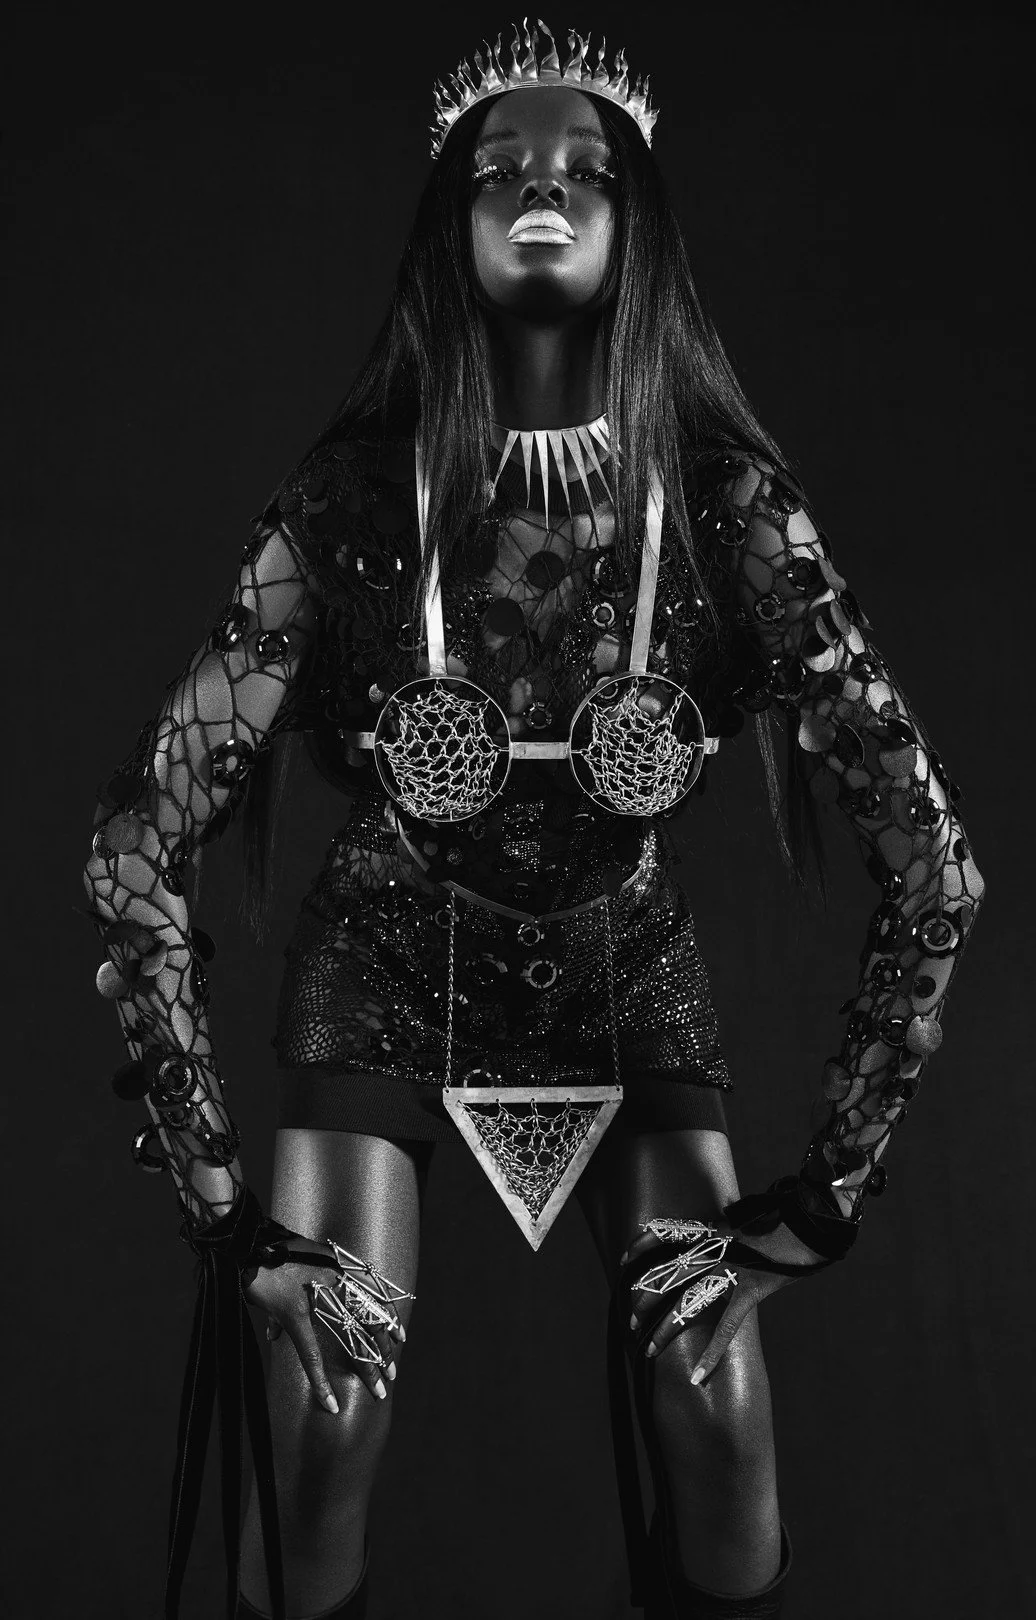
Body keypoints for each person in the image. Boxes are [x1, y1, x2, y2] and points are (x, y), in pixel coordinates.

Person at [83, 22, 986, 1620]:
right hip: (383, 957)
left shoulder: (729, 511)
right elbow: (134, 845)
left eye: (584, 173)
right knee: (317, 1417)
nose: (543, 195)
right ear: (450, 222)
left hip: (627, 968)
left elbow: (936, 867)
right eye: (501, 172)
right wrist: (227, 1221)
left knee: (716, 1412)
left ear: (641, 223)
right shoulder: (351, 502)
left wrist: (824, 1203)